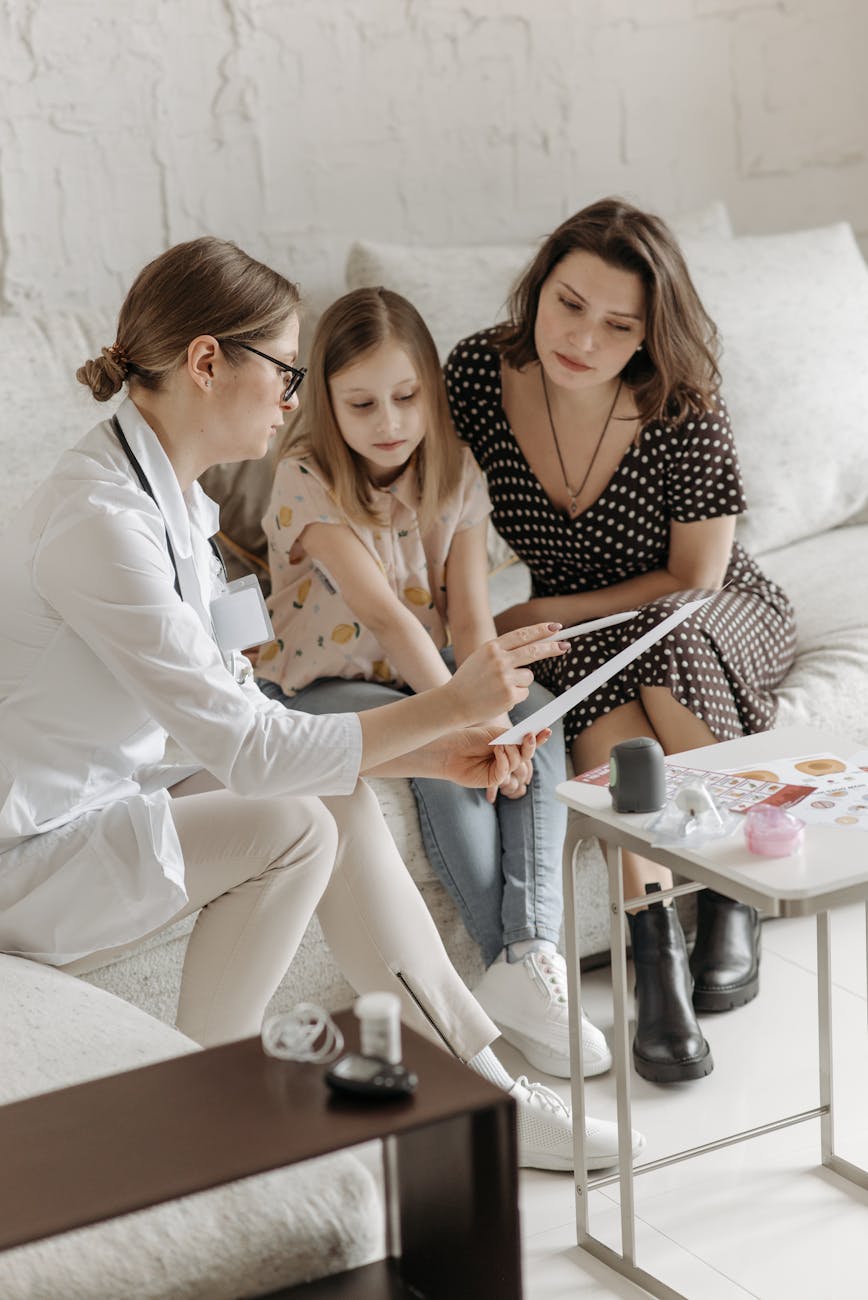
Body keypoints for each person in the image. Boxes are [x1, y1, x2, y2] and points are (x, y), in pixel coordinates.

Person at [0, 236, 644, 1172]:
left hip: (115, 791)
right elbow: (254, 754)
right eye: (287, 372)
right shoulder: (100, 524)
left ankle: (482, 1090)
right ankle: (214, 1113)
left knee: (330, 797)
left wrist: (434, 754)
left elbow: (237, 714)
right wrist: (455, 704)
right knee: (292, 828)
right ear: (207, 361)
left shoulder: (174, 498)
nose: (295, 400)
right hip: (32, 849)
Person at [444, 198, 797, 1084]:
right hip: (590, 634)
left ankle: (727, 890)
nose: (583, 339)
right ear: (539, 288)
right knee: (598, 675)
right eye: (568, 304)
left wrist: (545, 614)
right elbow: (438, 517)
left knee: (643, 650)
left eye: (617, 324)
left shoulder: (683, 403)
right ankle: (654, 951)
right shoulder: (478, 378)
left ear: (649, 333)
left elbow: (698, 578)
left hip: (709, 617)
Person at [256, 286, 612, 1083]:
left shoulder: (456, 475)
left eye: (407, 397)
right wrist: (465, 718)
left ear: (432, 391)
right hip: (326, 686)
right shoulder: (305, 476)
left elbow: (470, 628)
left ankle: (529, 954)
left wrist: (499, 710)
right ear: (328, 403)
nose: (389, 422)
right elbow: (386, 619)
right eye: (362, 404)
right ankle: (501, 959)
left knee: (540, 709)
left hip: (430, 671)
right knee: (439, 745)